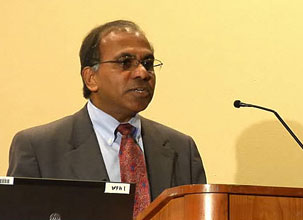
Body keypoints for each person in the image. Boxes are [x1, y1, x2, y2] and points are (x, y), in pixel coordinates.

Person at [7, 20, 206, 217]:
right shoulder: (39, 148)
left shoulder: (181, 148)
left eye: (147, 63)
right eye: (125, 62)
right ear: (91, 78)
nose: (142, 73)